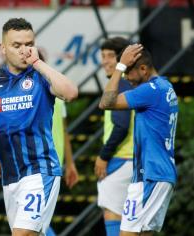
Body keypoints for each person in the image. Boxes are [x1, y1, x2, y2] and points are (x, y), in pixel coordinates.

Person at [0, 18, 78, 236]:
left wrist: (38, 63)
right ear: (2, 48)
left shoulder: (40, 76)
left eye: (29, 44)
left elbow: (70, 92)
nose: (24, 50)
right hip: (11, 177)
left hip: (40, 170)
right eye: (17, 45)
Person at [99, 44, 178, 236]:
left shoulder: (150, 90)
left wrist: (119, 67)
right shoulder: (164, 86)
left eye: (128, 72)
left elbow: (106, 102)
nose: (126, 78)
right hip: (157, 174)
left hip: (151, 175)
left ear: (143, 69)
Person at [94, 37, 134, 236]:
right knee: (133, 225)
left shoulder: (118, 84)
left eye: (110, 56)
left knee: (113, 219)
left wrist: (103, 156)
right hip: (135, 161)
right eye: (103, 56)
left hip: (119, 161)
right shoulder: (133, 83)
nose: (105, 61)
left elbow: (121, 125)